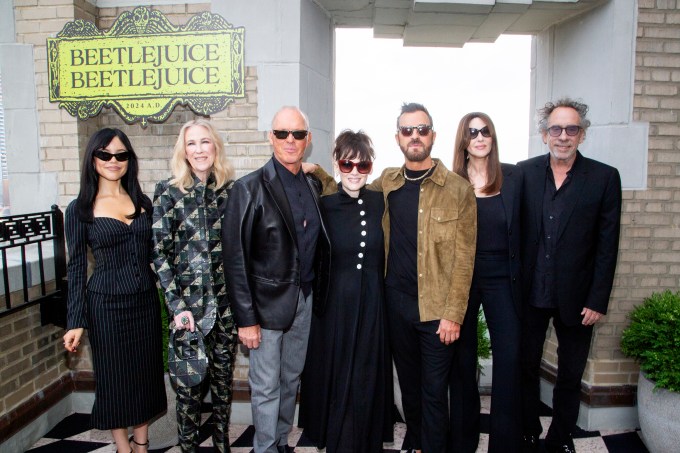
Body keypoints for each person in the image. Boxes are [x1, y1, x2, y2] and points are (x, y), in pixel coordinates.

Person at [311, 102, 477, 453]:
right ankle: (416, 442)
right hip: (395, 307)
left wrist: (453, 314)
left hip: (436, 311)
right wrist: (321, 174)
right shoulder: (387, 182)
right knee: (412, 390)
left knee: (434, 392)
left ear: (432, 135)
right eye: (407, 130)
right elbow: (349, 187)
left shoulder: (458, 190)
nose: (414, 136)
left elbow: (465, 260)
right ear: (398, 138)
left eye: (421, 129)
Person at [222, 106, 330, 453]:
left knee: (289, 380)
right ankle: (265, 448)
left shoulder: (313, 185)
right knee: (266, 384)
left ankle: (280, 441)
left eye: (297, 134)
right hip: (265, 308)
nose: (290, 140)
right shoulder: (248, 188)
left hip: (304, 299)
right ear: (271, 137)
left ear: (308, 139)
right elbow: (234, 259)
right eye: (282, 133)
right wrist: (246, 319)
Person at [518, 98, 622, 453]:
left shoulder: (605, 178)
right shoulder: (524, 173)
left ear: (582, 134)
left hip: (579, 299)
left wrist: (598, 299)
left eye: (571, 129)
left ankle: (560, 435)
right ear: (545, 134)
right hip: (530, 293)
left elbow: (608, 245)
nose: (563, 136)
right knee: (526, 366)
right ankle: (528, 426)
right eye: (556, 129)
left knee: (570, 373)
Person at [63, 128, 166, 453]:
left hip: (146, 302)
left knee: (146, 376)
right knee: (115, 380)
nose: (113, 161)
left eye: (121, 155)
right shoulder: (80, 208)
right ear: (93, 158)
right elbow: (77, 268)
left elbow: (156, 254)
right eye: (105, 154)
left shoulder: (143, 202)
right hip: (106, 306)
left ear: (129, 160)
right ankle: (124, 447)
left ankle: (142, 443)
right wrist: (75, 320)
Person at [298, 130, 393, 453]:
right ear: (337, 165)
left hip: (373, 304)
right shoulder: (323, 204)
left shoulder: (381, 201)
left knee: (367, 374)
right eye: (347, 164)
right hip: (335, 306)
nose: (354, 172)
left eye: (362, 166)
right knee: (339, 375)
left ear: (371, 167)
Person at [152, 119, 237, 452]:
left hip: (227, 310)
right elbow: (159, 254)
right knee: (187, 393)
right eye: (192, 144)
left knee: (222, 388)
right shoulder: (169, 191)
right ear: (183, 150)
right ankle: (188, 447)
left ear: (215, 146)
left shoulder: (232, 191)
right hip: (188, 314)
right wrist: (177, 307)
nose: (199, 149)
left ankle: (222, 444)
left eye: (205, 142)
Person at [449, 112, 522, 453]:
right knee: (462, 361)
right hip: (464, 277)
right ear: (463, 140)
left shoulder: (513, 178)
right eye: (472, 132)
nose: (479, 137)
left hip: (502, 278)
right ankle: (464, 440)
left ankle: (503, 444)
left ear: (493, 138)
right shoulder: (451, 184)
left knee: (509, 358)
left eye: (485, 131)